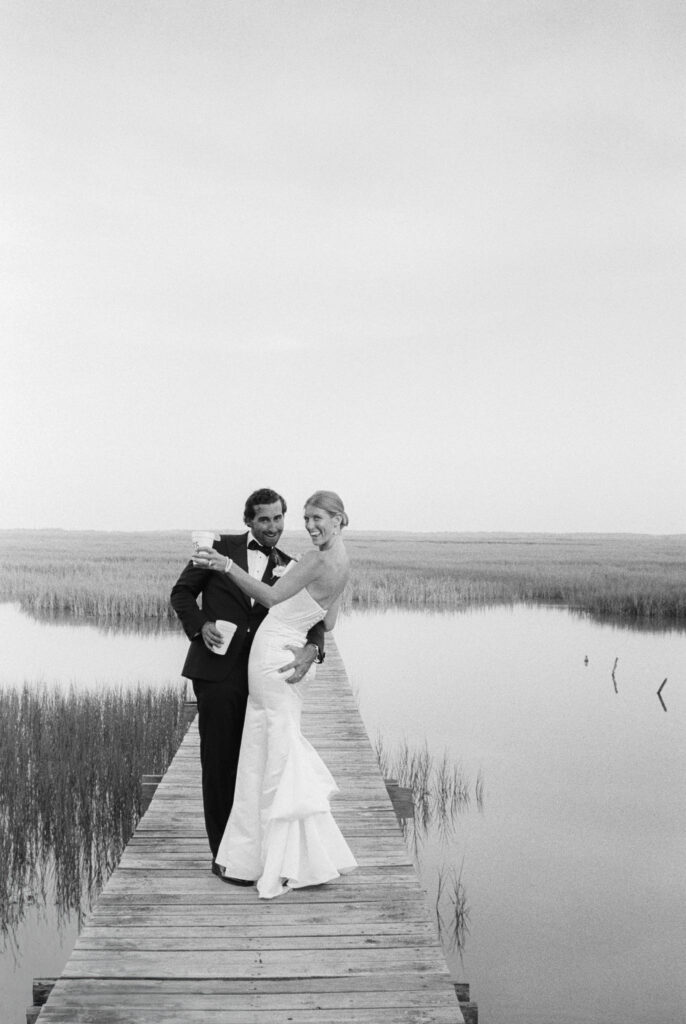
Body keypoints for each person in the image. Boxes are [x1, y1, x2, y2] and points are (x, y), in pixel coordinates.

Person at [193, 490, 358, 899]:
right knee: (272, 749)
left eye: (318, 517)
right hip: (277, 656)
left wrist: (226, 565)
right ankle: (277, 854)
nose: (310, 525)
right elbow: (329, 618)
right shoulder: (341, 561)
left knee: (267, 754)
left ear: (339, 519)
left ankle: (265, 860)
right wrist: (310, 644)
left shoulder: (315, 559)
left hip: (271, 659)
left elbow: (268, 598)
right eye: (306, 518)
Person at [170, 488, 326, 882]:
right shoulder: (217, 549)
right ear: (248, 521)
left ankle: (253, 851)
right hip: (217, 672)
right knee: (219, 763)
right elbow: (181, 592)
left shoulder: (291, 565)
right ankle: (222, 854)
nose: (273, 527)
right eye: (264, 520)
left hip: (266, 677)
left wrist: (313, 650)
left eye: (278, 519)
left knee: (257, 763)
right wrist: (200, 626)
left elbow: (316, 618)